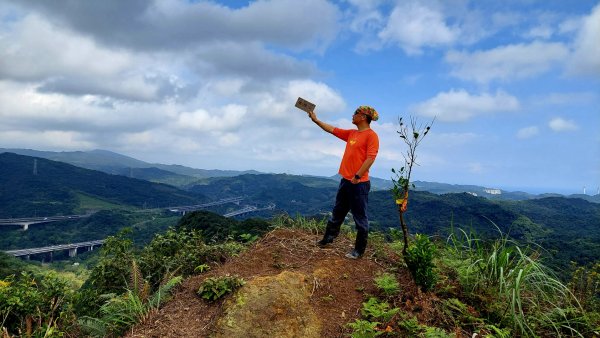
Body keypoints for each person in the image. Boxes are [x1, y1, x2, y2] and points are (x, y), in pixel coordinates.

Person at [307, 106, 380, 259]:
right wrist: (316, 120)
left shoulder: (371, 136)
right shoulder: (352, 133)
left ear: (363, 117)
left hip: (359, 183)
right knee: (338, 211)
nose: (352, 115)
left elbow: (371, 158)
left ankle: (359, 251)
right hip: (346, 180)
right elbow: (333, 130)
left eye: (355, 113)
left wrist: (358, 176)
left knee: (360, 217)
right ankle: (328, 239)